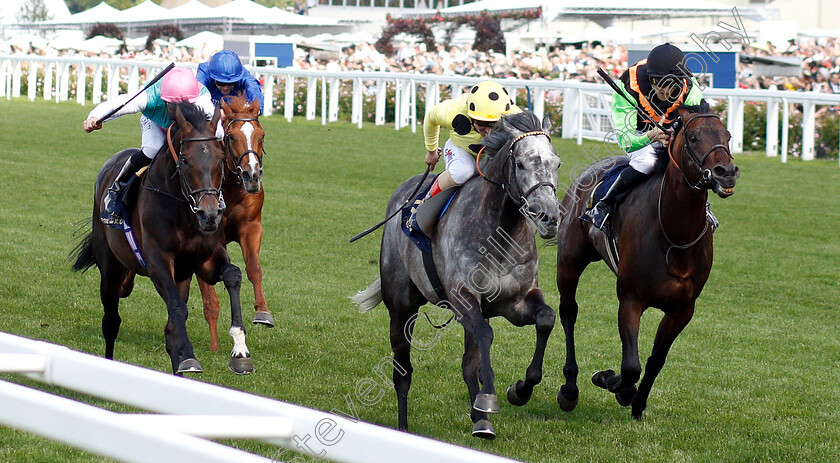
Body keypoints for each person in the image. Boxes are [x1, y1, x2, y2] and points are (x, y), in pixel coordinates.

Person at [581, 43, 705, 231]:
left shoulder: (691, 90)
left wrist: (674, 136)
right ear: (650, 78)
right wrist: (651, 137)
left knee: (691, 162)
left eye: (673, 85)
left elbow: (697, 127)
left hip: (674, 132)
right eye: (661, 83)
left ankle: (703, 209)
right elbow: (626, 139)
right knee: (647, 162)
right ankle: (602, 204)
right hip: (638, 134)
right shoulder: (628, 85)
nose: (666, 91)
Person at [83, 67, 222, 225]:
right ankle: (116, 190)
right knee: (152, 149)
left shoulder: (201, 99)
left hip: (187, 127)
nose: (180, 110)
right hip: (155, 122)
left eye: (185, 105)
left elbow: (218, 132)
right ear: (164, 99)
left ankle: (217, 195)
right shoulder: (148, 96)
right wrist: (95, 117)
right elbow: (118, 104)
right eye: (174, 105)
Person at [406, 80, 519, 231]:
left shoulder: (515, 115)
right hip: (460, 147)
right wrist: (431, 151)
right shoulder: (452, 110)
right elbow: (430, 118)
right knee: (462, 172)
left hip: (493, 154)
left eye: (494, 124)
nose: (488, 131)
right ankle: (422, 206)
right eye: (481, 123)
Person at [196, 50, 264, 113]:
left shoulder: (245, 77)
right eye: (221, 83)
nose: (226, 87)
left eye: (231, 83)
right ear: (213, 77)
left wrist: (255, 110)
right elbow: (197, 99)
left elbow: (254, 91)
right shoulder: (204, 75)